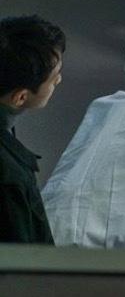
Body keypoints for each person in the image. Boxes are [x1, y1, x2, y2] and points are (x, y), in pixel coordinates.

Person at [0, 15, 65, 244]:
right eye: (54, 77)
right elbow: (24, 259)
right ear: (20, 97)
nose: (58, 80)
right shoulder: (11, 179)